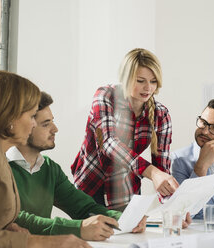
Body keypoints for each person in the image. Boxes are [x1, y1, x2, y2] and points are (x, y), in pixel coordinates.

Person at [0, 71, 90, 248]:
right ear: (10, 117)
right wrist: (37, 242)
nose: (34, 124)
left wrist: (8, 230)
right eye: (31, 116)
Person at [7, 91, 148, 241]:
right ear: (25, 126)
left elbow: (83, 207)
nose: (55, 129)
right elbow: (13, 219)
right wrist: (78, 228)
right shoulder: (1, 166)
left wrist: (124, 219)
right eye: (46, 124)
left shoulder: (49, 168)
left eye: (52, 121)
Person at [71, 48, 179, 211]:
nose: (148, 88)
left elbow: (162, 169)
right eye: (140, 80)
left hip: (125, 190)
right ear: (126, 78)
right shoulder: (105, 96)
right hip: (91, 184)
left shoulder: (160, 114)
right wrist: (152, 172)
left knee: (130, 235)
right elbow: (108, 143)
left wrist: (175, 209)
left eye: (153, 81)